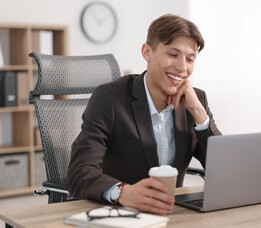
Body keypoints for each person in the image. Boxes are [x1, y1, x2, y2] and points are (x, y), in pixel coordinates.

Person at [66, 14, 221, 215]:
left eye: (190, 59)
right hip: (118, 214)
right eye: (173, 55)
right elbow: (80, 172)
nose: (182, 67)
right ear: (147, 52)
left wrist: (199, 112)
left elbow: (224, 170)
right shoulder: (110, 98)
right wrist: (122, 192)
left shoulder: (196, 99)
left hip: (173, 215)